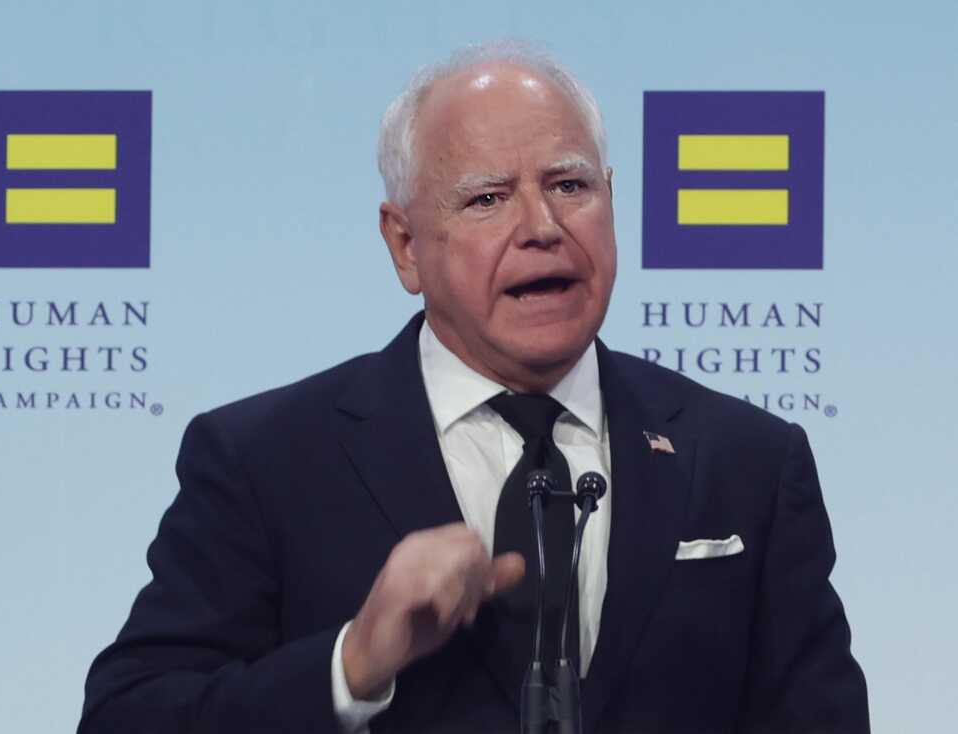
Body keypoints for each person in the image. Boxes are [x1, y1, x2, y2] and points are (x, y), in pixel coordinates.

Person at [78, 43, 869, 733]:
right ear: (405, 246)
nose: (543, 226)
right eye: (489, 198)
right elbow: (129, 717)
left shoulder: (749, 462)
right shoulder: (264, 462)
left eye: (570, 185)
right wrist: (352, 666)